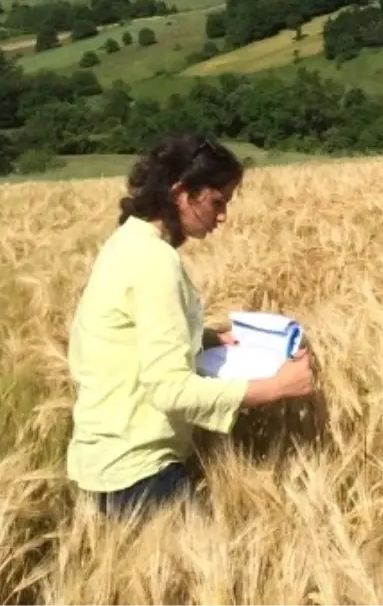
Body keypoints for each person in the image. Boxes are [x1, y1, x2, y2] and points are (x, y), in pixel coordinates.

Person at [65, 131, 315, 518]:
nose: (223, 217)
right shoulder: (155, 262)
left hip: (105, 463)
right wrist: (276, 387)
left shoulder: (127, 242)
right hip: (139, 475)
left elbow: (135, 334)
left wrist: (212, 337)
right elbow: (169, 390)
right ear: (182, 192)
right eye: (217, 202)